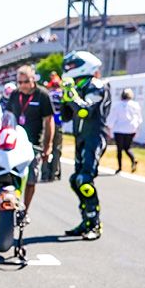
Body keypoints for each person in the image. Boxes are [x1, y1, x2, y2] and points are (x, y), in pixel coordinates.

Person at [59, 51, 111, 241]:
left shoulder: (96, 86)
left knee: (84, 180)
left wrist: (71, 95)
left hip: (94, 138)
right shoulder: (77, 87)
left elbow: (85, 111)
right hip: (80, 138)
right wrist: (65, 98)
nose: (68, 69)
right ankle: (86, 220)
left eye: (72, 65)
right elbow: (66, 116)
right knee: (75, 180)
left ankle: (95, 224)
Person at [4, 65, 55, 213]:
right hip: (13, 144)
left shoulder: (42, 95)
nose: (22, 85)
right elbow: (7, 117)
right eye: (19, 82)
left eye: (25, 82)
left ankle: (24, 211)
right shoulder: (14, 94)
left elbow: (49, 122)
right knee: (9, 175)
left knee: (31, 179)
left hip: (33, 144)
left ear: (33, 79)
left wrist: (48, 146)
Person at [106, 88, 141, 173]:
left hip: (119, 130)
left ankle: (120, 167)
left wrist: (109, 129)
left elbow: (112, 118)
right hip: (130, 129)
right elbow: (138, 119)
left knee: (119, 149)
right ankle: (133, 159)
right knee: (127, 148)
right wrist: (136, 129)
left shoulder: (117, 105)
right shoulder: (135, 105)